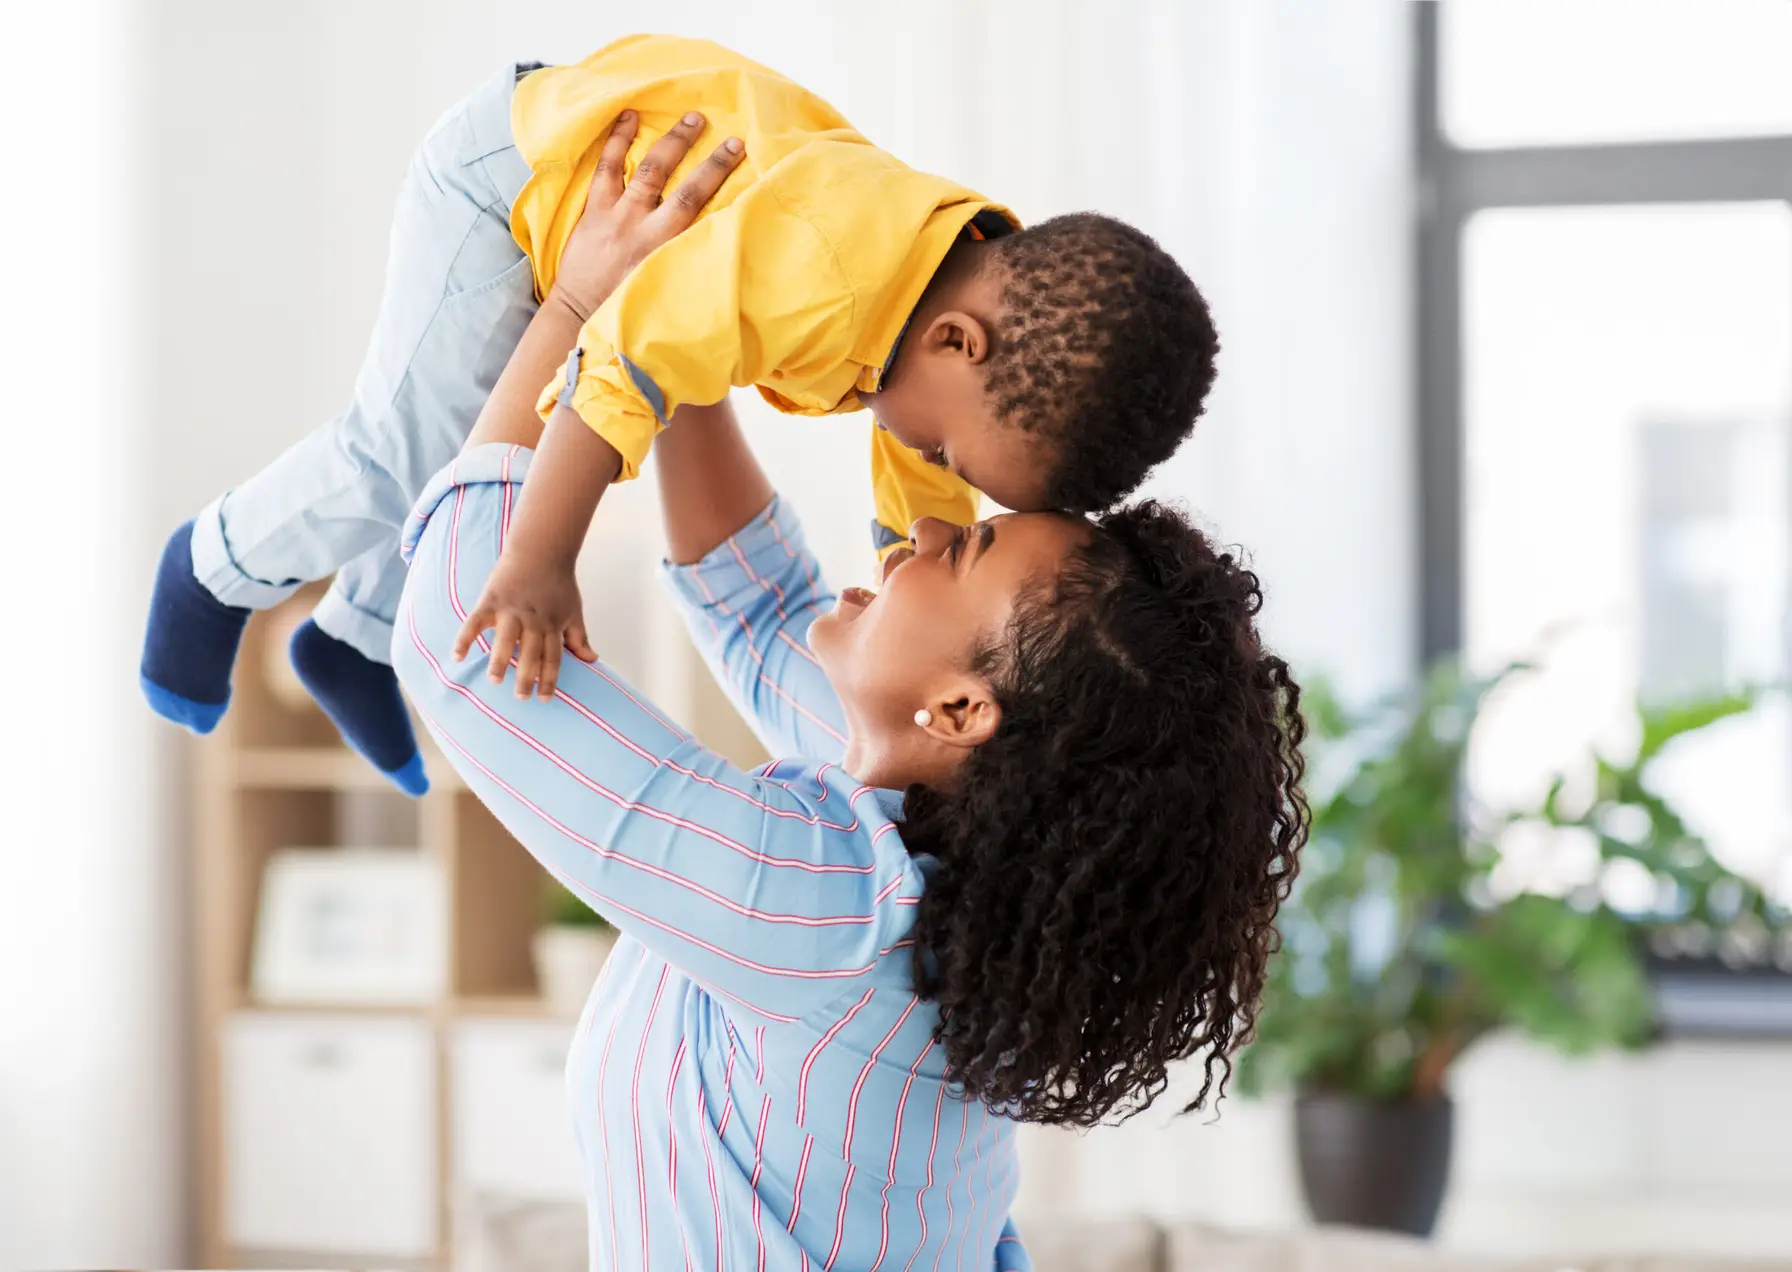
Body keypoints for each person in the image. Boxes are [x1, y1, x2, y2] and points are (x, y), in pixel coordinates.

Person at [394, 122, 1306, 1272]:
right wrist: (674, 319)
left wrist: (578, 307)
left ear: (962, 712)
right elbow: (758, 605)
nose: (925, 530)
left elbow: (462, 650)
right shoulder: (935, 855)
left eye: (964, 552)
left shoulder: (834, 915)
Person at [139, 36, 1220, 795]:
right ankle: (214, 565)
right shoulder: (828, 268)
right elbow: (621, 359)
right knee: (400, 451)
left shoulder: (936, 292)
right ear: (958, 343)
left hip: (589, 212)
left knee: (454, 447)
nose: (936, 483)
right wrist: (542, 559)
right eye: (945, 448)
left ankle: (353, 642)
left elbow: (921, 501)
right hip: (517, 183)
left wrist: (909, 580)